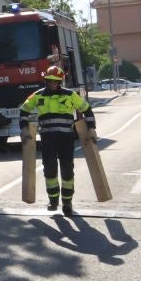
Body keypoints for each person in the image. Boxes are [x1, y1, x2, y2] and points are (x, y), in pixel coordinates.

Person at [20, 64, 96, 214]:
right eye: (49, 81)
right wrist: (23, 128)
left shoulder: (70, 95)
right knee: (50, 169)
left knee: (67, 171)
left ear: (60, 82)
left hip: (66, 139)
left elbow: (86, 109)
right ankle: (53, 201)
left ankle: (67, 203)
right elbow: (24, 110)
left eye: (55, 81)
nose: (52, 83)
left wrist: (92, 129)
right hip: (48, 139)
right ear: (46, 81)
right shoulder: (38, 95)